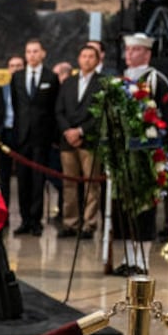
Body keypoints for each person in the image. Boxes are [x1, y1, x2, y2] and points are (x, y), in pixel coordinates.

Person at [113, 33, 168, 271]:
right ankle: (128, 259)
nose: (129, 54)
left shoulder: (156, 79)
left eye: (135, 50)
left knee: (144, 209)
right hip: (123, 157)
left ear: (146, 53)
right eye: (128, 50)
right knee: (124, 210)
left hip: (147, 155)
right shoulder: (120, 80)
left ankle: (143, 260)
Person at [8, 39, 58, 236]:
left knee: (38, 180)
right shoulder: (17, 77)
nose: (32, 55)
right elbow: (16, 105)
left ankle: (36, 220)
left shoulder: (51, 77)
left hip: (41, 137)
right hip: (22, 136)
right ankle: (24, 219)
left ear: (43, 53)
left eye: (35, 51)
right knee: (22, 181)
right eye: (28, 52)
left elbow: (53, 108)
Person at [55, 44, 102, 238]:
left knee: (92, 185)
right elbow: (59, 110)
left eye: (91, 56)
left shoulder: (103, 83)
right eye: (83, 56)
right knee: (69, 184)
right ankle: (70, 223)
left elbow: (100, 114)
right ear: (78, 59)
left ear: (97, 60)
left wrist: (81, 131)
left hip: (89, 140)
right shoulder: (68, 82)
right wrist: (68, 131)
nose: (87, 59)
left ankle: (89, 225)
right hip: (67, 141)